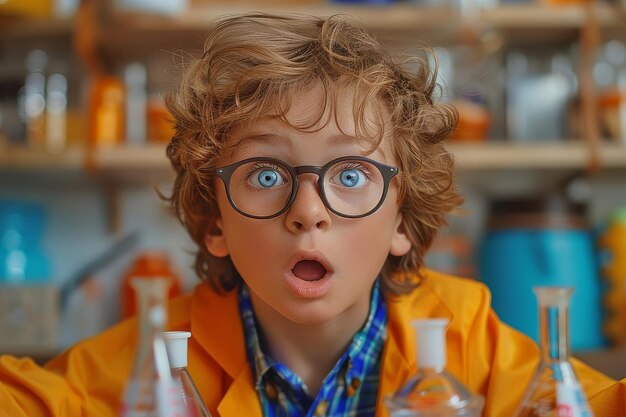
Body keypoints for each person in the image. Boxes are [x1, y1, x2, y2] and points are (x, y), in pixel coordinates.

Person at [1, 12, 625, 417]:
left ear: (401, 221)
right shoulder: (149, 359)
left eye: (350, 175)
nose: (307, 212)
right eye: (266, 175)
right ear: (215, 223)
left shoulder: (468, 340)